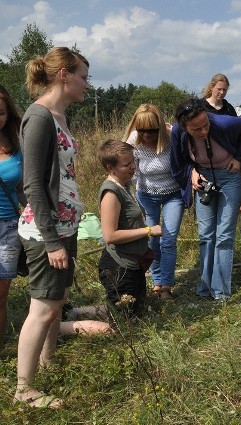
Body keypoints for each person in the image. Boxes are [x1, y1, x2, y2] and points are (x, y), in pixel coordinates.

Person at [14, 47, 91, 409]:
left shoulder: (60, 116)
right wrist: (51, 242)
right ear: (64, 75)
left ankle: (47, 364)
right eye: (83, 77)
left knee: (56, 302)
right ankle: (23, 389)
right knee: (42, 308)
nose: (86, 85)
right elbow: (32, 184)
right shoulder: (39, 117)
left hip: (65, 227)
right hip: (47, 233)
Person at [170, 98, 241, 301]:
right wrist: (192, 173)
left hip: (230, 178)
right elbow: (177, 163)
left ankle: (221, 291)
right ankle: (205, 286)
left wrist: (239, 158)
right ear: (184, 126)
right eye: (196, 129)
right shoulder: (177, 132)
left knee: (224, 235)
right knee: (206, 234)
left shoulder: (224, 122)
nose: (204, 131)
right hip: (204, 179)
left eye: (206, 124)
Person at [124, 104, 184, 300]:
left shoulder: (171, 136)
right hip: (146, 195)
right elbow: (130, 172)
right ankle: (156, 283)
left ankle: (166, 285)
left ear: (159, 127)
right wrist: (130, 197)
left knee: (168, 239)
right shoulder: (134, 140)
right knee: (152, 240)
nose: (147, 135)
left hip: (173, 195)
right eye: (142, 130)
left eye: (151, 130)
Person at [97, 139, 162, 315]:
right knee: (125, 319)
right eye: (127, 164)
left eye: (133, 161)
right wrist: (148, 231)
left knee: (138, 311)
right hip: (119, 267)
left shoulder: (124, 185)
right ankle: (74, 317)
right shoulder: (111, 193)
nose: (133, 166)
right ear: (111, 168)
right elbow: (110, 236)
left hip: (133, 264)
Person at [0, 84, 27, 343]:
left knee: (1, 293)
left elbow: (21, 189)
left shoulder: (16, 145)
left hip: (8, 227)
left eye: (0, 113)